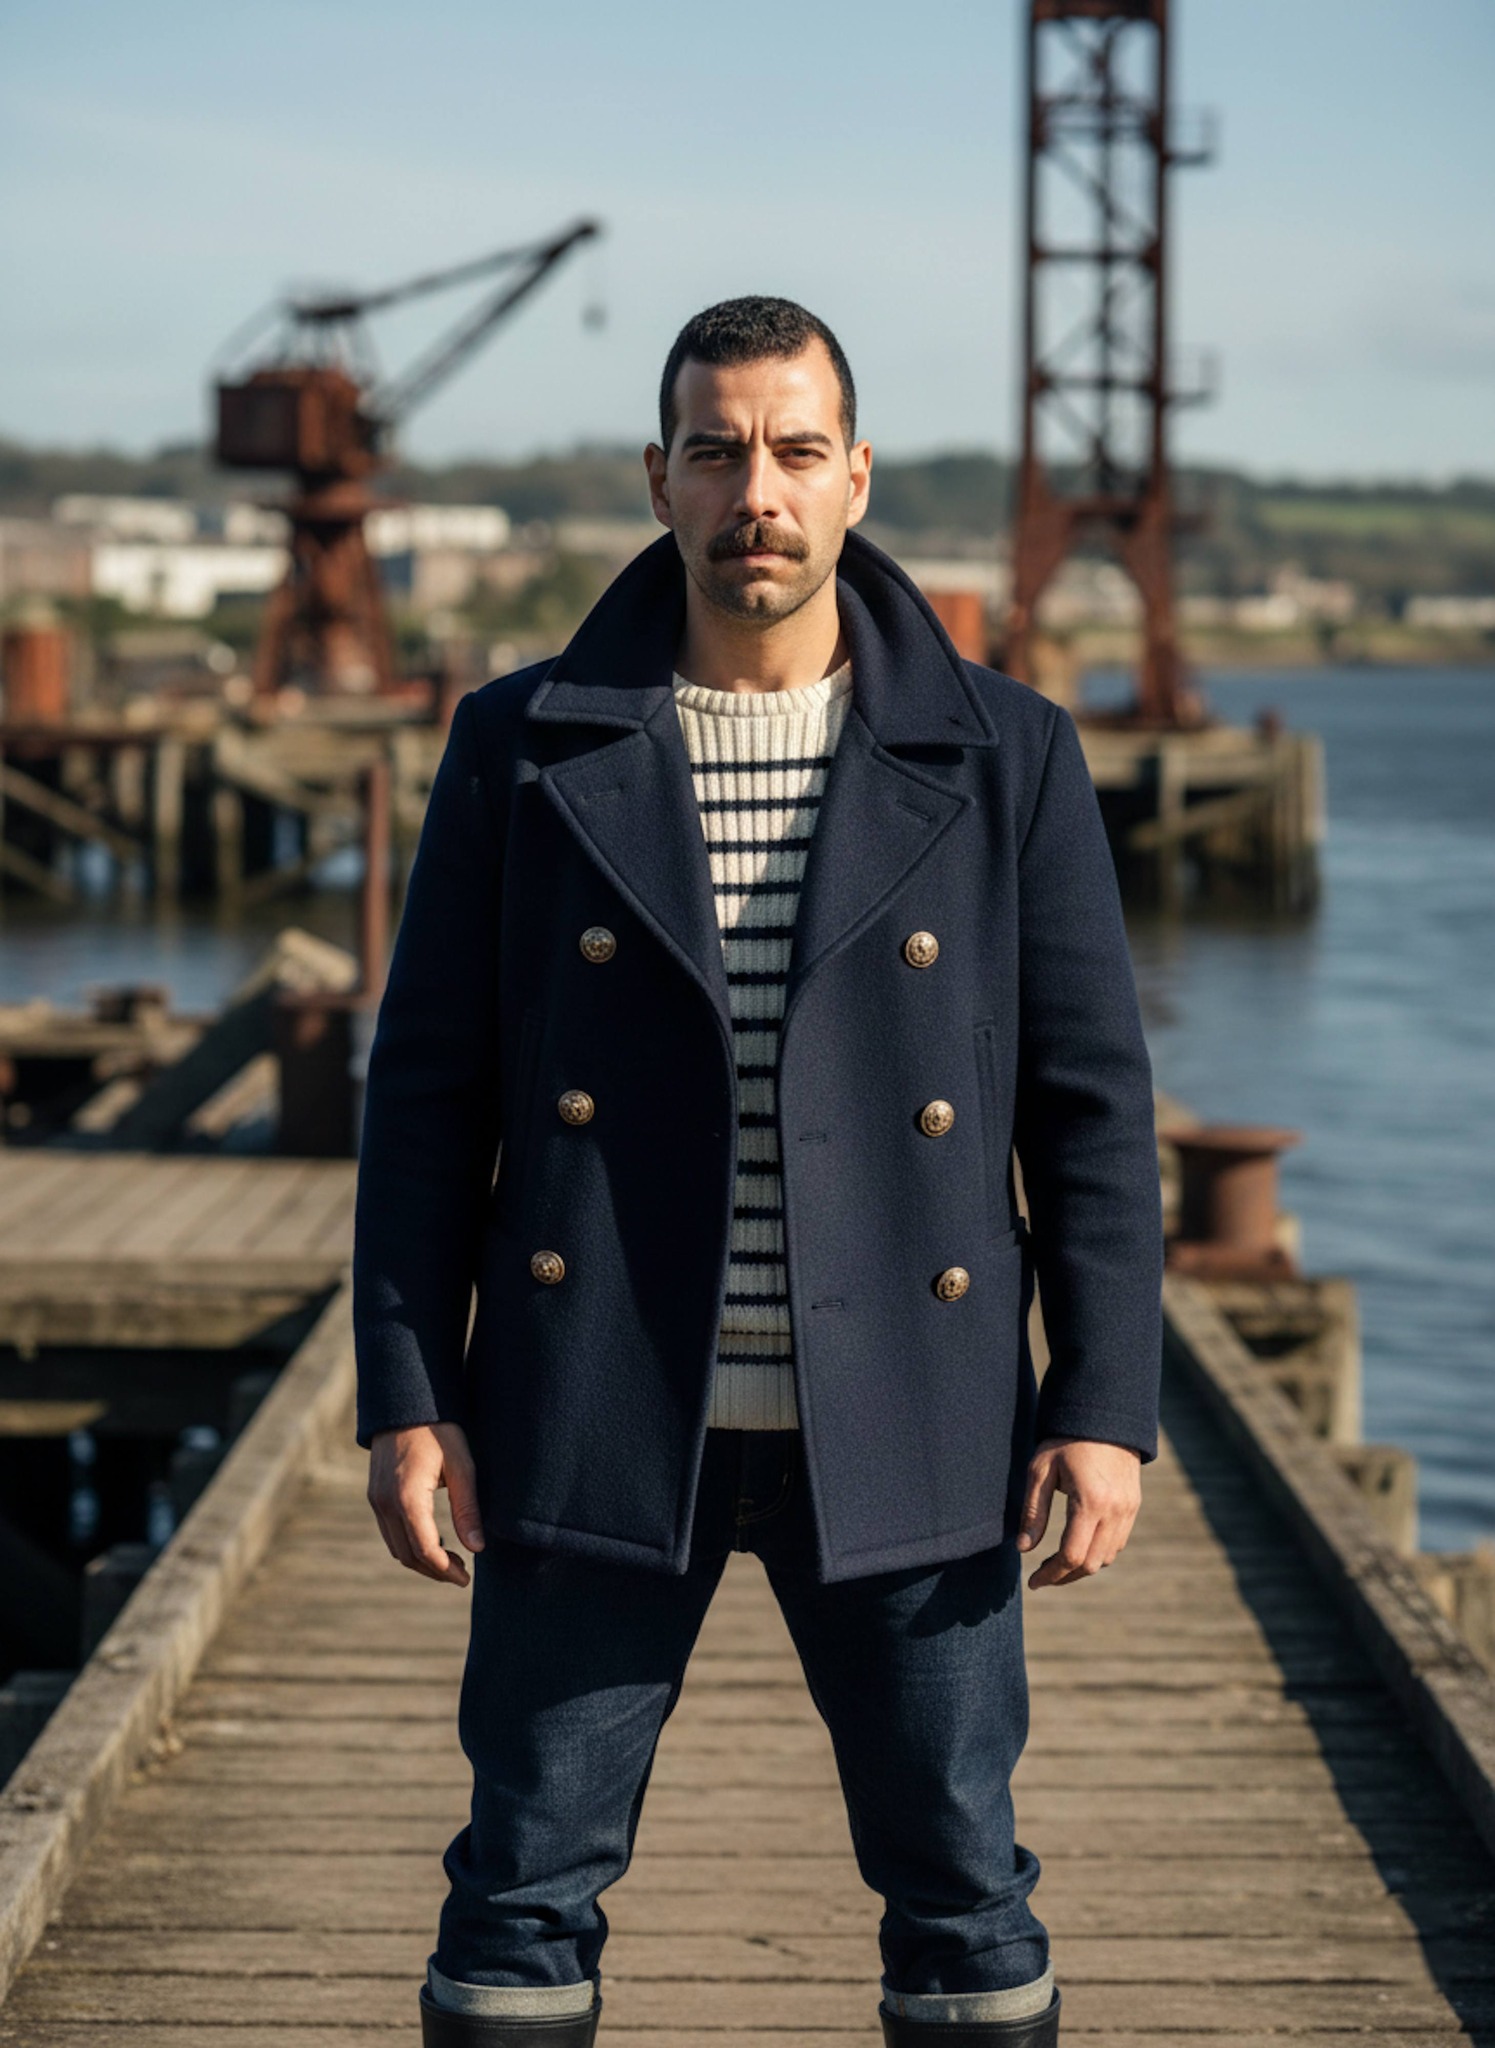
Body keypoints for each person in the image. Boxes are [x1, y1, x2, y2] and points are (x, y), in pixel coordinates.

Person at [352, 296, 1164, 2047]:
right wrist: (409, 1396)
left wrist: (1103, 1399)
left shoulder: (1004, 751)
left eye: (797, 450)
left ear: (857, 477)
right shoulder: (521, 740)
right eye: (716, 450)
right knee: (520, 1882)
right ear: (660, 477)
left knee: (962, 1886)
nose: (757, 492)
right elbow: (426, 1093)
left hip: (915, 1410)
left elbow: (1088, 1105)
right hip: (596, 1400)